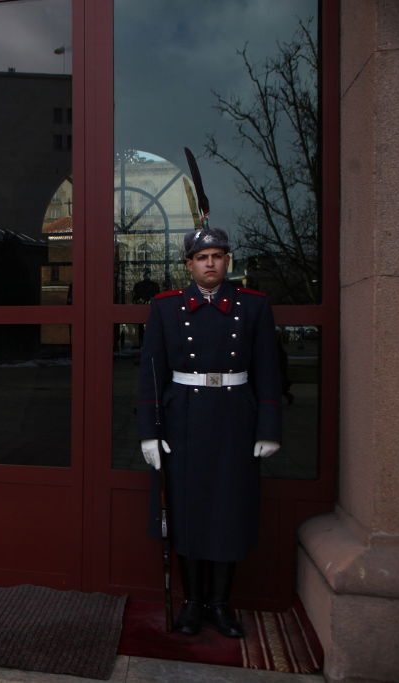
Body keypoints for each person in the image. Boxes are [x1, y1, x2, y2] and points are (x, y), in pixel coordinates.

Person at [137, 227, 282, 638]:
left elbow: (269, 369)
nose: (210, 263)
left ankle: (220, 604)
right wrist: (149, 433)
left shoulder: (253, 305)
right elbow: (151, 373)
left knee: (228, 512)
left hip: (235, 418)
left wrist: (269, 428)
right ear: (189, 265)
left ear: (227, 261)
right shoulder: (165, 307)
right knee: (186, 512)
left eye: (217, 256)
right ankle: (192, 604)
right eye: (202, 257)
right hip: (183, 418)